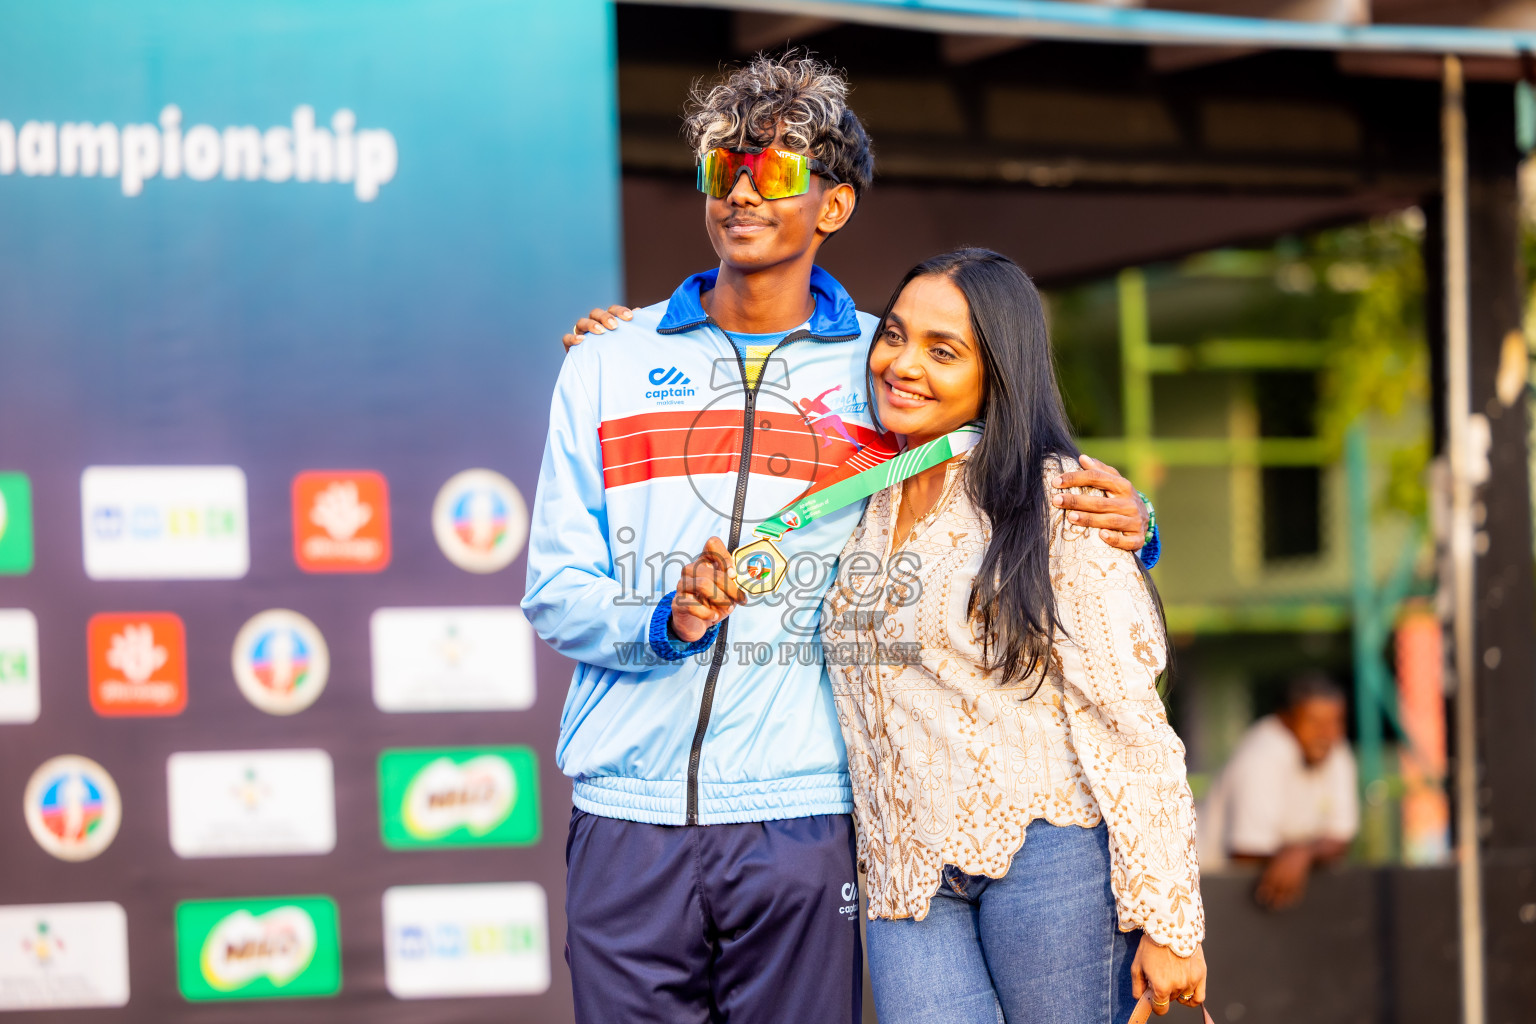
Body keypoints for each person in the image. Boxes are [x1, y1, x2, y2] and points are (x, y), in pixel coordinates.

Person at [526, 54, 1158, 1024]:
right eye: (719, 168)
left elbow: (1018, 488)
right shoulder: (607, 363)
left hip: (808, 811)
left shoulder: (890, 374)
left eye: (773, 171)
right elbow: (554, 588)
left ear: (833, 206)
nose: (740, 190)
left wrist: (1139, 528)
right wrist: (665, 611)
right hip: (626, 810)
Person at [1201, 673, 1358, 910]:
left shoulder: (1336, 750)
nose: (1327, 733)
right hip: (1211, 892)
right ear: (1285, 719)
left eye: (1335, 721)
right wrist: (1302, 854)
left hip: (1266, 900)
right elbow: (1246, 852)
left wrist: (1303, 853)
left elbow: (1341, 837)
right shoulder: (1262, 755)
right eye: (1314, 722)